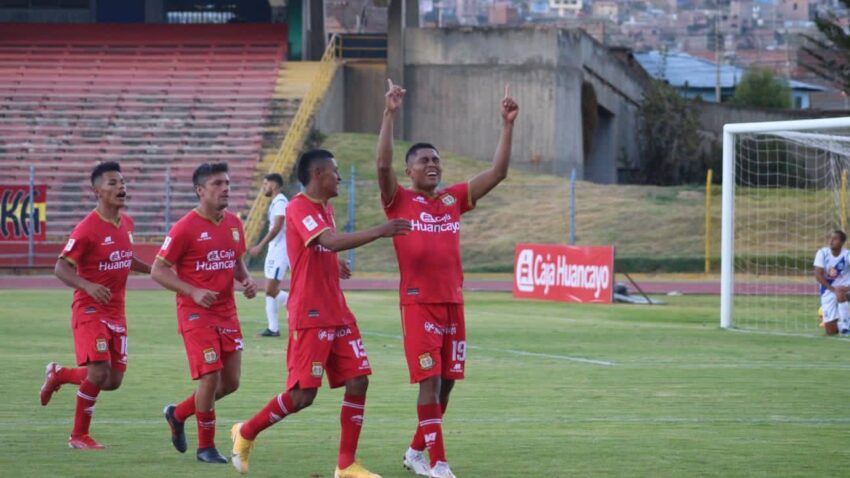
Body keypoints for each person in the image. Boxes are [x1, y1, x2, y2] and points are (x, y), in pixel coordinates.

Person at [229, 149, 411, 478]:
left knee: (358, 381)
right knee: (302, 396)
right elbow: (328, 240)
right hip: (311, 313)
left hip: (337, 310)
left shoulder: (325, 208)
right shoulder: (299, 206)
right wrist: (379, 230)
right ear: (317, 174)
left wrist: (332, 260)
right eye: (335, 171)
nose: (339, 177)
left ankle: (346, 465)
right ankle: (246, 431)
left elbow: (320, 245)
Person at [376, 80, 519, 478]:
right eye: (423, 160)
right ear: (410, 171)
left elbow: (498, 172)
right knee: (430, 381)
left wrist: (506, 125)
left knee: (448, 386)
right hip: (419, 302)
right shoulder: (398, 199)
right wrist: (389, 113)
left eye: (436, 159)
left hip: (453, 302)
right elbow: (383, 166)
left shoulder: (452, 199)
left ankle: (415, 452)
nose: (432, 164)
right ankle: (438, 464)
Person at [151, 162, 258, 464]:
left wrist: (246, 280)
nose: (225, 188)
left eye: (227, 183)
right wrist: (193, 291)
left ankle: (178, 413)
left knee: (231, 382)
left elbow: (235, 260)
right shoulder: (184, 228)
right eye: (217, 184)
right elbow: (158, 271)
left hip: (227, 312)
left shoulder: (234, 224)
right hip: (195, 313)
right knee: (210, 376)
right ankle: (206, 447)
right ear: (200, 191)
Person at [41, 161, 151, 449]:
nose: (121, 187)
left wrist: (155, 269)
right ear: (97, 191)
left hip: (117, 311)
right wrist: (88, 286)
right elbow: (60, 268)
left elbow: (125, 258)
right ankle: (78, 436)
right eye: (113, 183)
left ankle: (60, 374)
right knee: (99, 372)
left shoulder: (126, 223)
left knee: (113, 380)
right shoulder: (87, 228)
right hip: (89, 310)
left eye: (122, 182)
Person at [248, 173, 289, 337]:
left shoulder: (280, 202)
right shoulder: (275, 203)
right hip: (274, 250)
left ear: (273, 185)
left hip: (280, 250)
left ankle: (297, 303)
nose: (263, 187)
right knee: (269, 290)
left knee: (271, 289)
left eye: (265, 184)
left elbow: (277, 227)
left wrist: (260, 245)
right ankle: (273, 328)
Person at [815, 229, 850, 335]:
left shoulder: (847, 255)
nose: (831, 241)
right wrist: (833, 290)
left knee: (840, 292)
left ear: (842, 242)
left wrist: (847, 289)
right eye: (831, 238)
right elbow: (818, 275)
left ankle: (845, 327)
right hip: (828, 291)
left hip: (846, 290)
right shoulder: (822, 253)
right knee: (831, 331)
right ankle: (842, 324)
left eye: (835, 239)